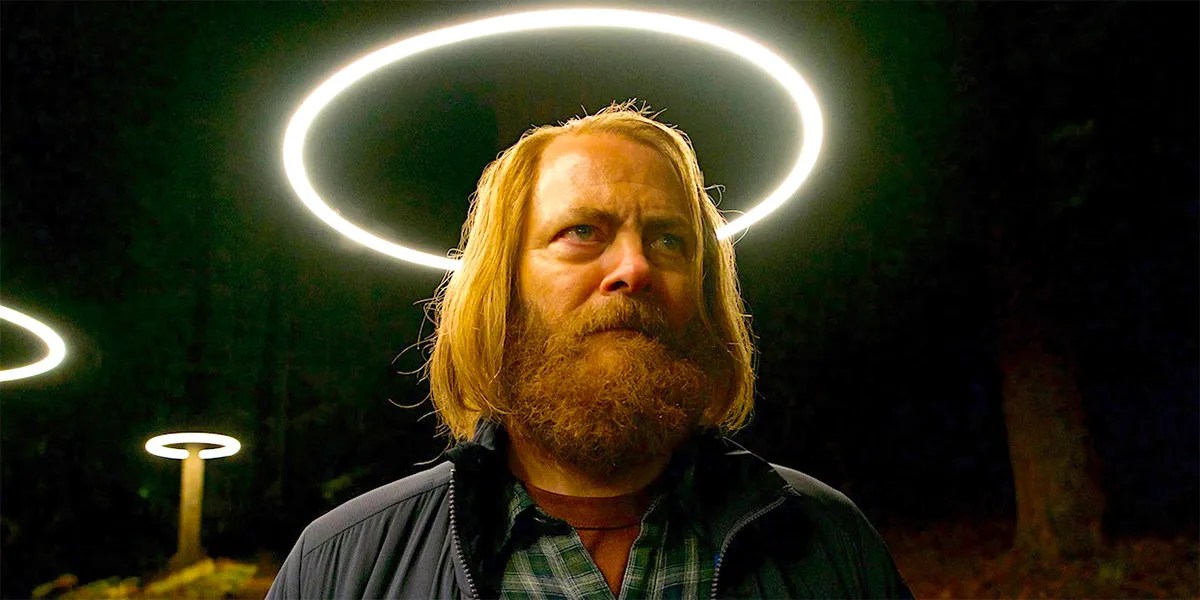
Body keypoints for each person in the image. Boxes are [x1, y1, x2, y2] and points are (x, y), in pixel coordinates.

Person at [267, 102, 912, 599]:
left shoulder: (830, 544)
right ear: (502, 286)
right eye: (582, 231)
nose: (635, 268)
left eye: (669, 241)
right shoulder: (342, 566)